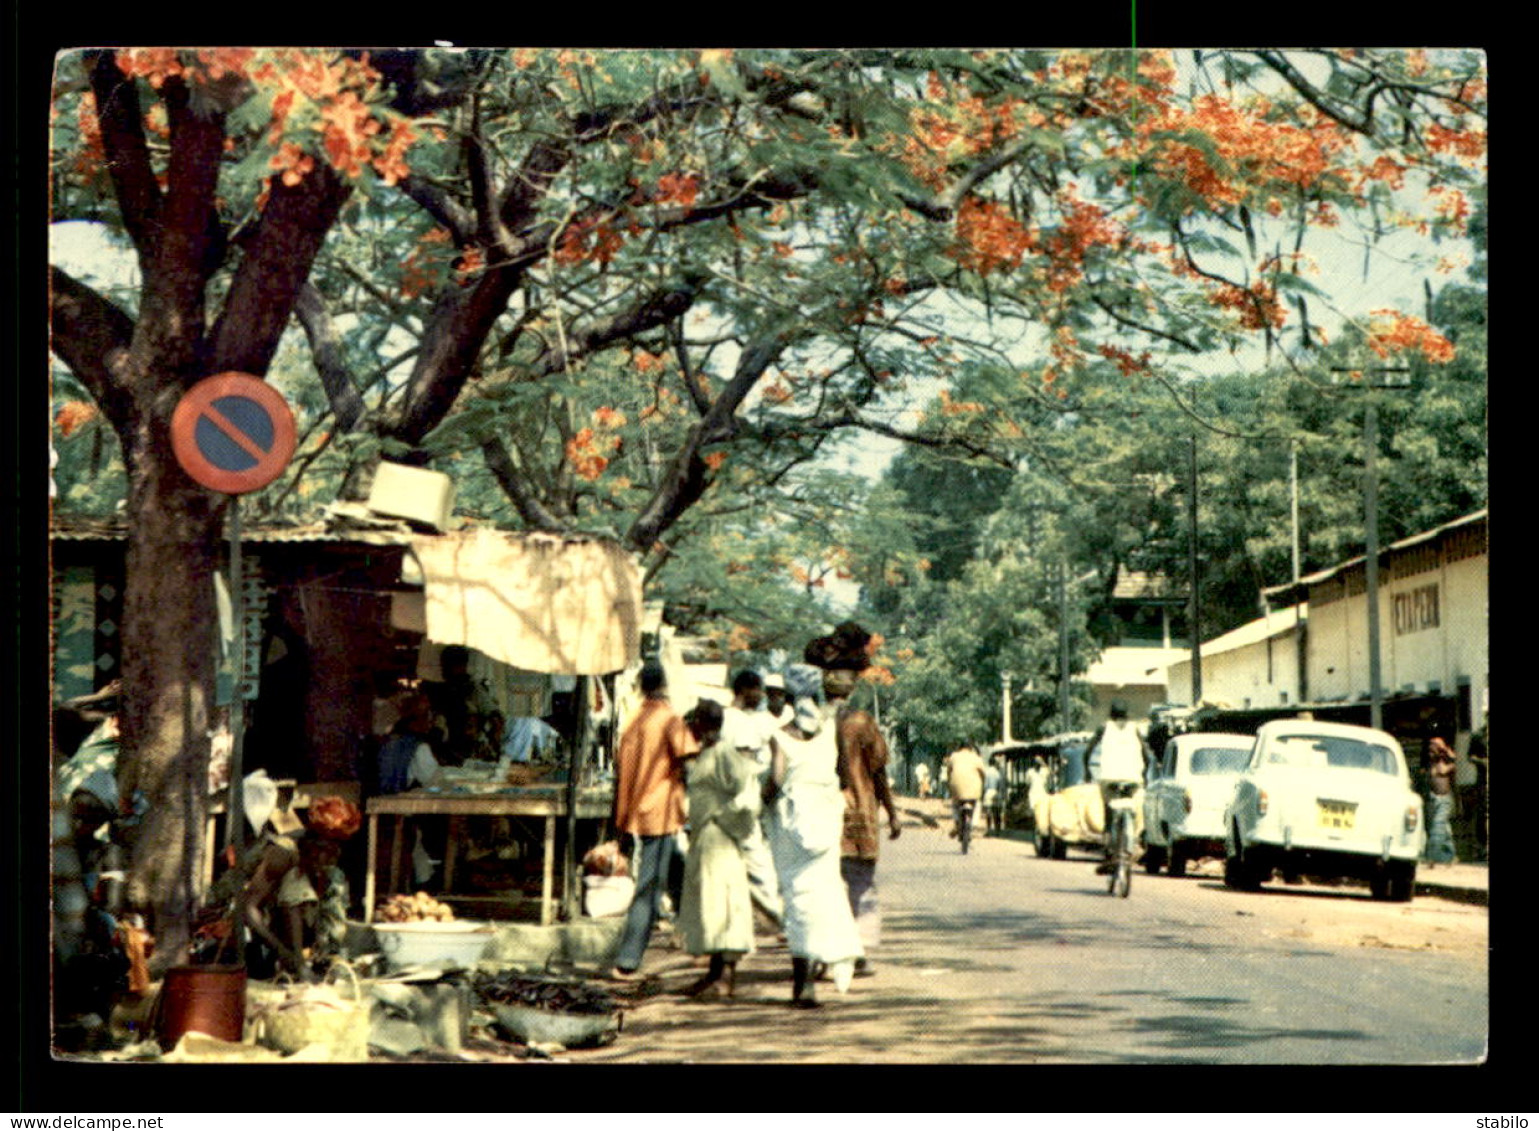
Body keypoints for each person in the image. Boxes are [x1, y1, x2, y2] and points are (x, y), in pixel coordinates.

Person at [763, 679, 864, 1008]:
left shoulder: (779, 736)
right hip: (824, 822)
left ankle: (803, 984)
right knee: (825, 896)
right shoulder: (831, 730)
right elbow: (845, 773)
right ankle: (822, 967)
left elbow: (776, 782)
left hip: (792, 828)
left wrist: (758, 802)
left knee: (798, 902)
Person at [610, 661, 697, 981]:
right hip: (659, 810)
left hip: (636, 808)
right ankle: (628, 958)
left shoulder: (634, 719)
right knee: (649, 885)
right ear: (664, 684)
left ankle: (691, 930)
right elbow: (689, 758)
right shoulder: (668, 718)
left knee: (677, 869)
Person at [677, 700, 759, 1000]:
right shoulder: (707, 753)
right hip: (704, 838)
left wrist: (727, 818)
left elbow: (747, 791)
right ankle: (713, 973)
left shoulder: (725, 753)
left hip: (719, 838)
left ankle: (727, 977)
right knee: (709, 907)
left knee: (725, 905)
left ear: (704, 723)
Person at [822, 665, 900, 975]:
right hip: (859, 811)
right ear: (850, 692)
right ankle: (857, 953)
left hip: (820, 811)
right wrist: (892, 813)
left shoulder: (812, 721)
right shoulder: (861, 723)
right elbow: (878, 770)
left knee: (826, 884)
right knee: (860, 884)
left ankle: (825, 953)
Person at [720, 669, 785, 929]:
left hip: (722, 803)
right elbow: (743, 763)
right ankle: (780, 922)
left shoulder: (723, 718)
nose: (762, 697)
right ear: (745, 690)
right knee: (760, 869)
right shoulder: (742, 722)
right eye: (758, 690)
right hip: (741, 803)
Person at [1085, 702, 1150, 875]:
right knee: (1134, 811)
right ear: (1127, 715)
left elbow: (1088, 752)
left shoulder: (1104, 728)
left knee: (1108, 814)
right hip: (1133, 780)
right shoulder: (1135, 729)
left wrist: (1087, 771)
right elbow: (1147, 755)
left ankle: (1108, 852)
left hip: (1109, 779)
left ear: (1111, 715)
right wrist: (1144, 776)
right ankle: (1132, 841)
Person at [424, 645, 498, 765]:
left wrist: (491, 739)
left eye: (448, 665)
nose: (444, 670)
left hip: (470, 751)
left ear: (462, 666)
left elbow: (494, 716)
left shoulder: (473, 689)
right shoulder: (440, 690)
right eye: (443, 666)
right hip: (446, 750)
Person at [1424, 734, 1458, 866]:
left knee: (1437, 826)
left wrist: (1443, 748)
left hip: (1444, 799)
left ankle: (1432, 857)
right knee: (1445, 829)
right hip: (1433, 799)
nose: (1431, 748)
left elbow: (1453, 760)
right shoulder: (1431, 761)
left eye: (1434, 745)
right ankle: (1451, 856)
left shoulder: (1446, 761)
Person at [945, 741, 987, 840]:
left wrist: (950, 783)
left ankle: (956, 823)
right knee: (977, 805)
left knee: (955, 805)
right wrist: (982, 784)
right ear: (970, 748)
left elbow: (948, 772)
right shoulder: (976, 757)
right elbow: (983, 773)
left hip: (957, 788)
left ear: (959, 748)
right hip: (974, 789)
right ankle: (974, 824)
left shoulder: (953, 756)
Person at [983, 754, 1005, 835]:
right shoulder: (998, 773)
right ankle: (997, 830)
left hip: (988, 792)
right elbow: (1000, 785)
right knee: (997, 812)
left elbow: (985, 785)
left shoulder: (986, 772)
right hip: (996, 792)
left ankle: (988, 830)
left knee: (988, 812)